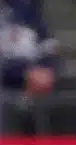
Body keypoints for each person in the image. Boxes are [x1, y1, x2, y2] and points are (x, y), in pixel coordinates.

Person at [0, 0, 58, 134]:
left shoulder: (27, 9)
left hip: (31, 81)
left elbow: (49, 45)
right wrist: (23, 72)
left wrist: (47, 69)